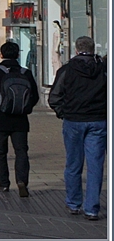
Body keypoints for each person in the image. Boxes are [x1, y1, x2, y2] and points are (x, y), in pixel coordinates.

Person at [48, 36, 106, 220]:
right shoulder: (103, 69)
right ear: (92, 49)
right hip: (98, 120)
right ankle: (92, 208)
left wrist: (63, 112)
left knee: (73, 163)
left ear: (76, 49)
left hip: (73, 120)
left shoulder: (67, 69)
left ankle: (74, 203)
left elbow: (54, 97)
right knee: (96, 165)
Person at [0, 40, 39, 197]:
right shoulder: (25, 72)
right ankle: (22, 181)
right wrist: (25, 108)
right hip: (21, 119)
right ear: (17, 54)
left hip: (1, 118)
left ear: (1, 54)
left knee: (0, 151)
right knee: (21, 151)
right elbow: (34, 96)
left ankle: (3, 184)